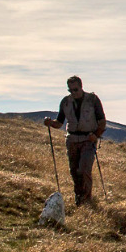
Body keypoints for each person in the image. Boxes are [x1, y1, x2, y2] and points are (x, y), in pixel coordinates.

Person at [44, 76, 106, 206]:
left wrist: (96, 135)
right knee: (74, 171)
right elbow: (60, 123)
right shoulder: (65, 102)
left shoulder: (92, 100)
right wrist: (50, 123)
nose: (73, 93)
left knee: (84, 169)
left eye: (75, 89)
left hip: (88, 139)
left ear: (81, 87)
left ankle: (87, 199)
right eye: (70, 90)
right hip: (71, 140)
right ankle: (79, 198)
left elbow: (102, 121)